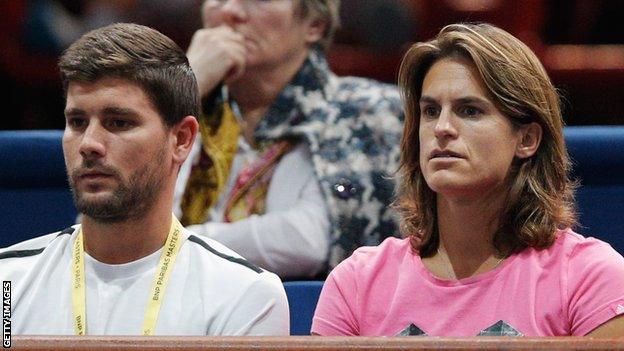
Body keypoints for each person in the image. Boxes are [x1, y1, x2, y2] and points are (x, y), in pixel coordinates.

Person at [311, 23, 624, 337]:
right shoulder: (357, 281)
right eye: (431, 111)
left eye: (470, 111)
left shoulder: (590, 278)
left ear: (527, 138)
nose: (442, 127)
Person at [0, 23, 289, 335]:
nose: (88, 144)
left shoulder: (244, 293)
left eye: (118, 122)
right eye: (77, 122)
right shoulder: (6, 282)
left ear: (181, 139)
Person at [173, 0, 404, 279]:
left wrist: (169, 245)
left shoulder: (369, 111)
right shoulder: (183, 111)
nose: (230, 10)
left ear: (314, 25)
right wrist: (185, 87)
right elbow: (128, 212)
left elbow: (306, 242)